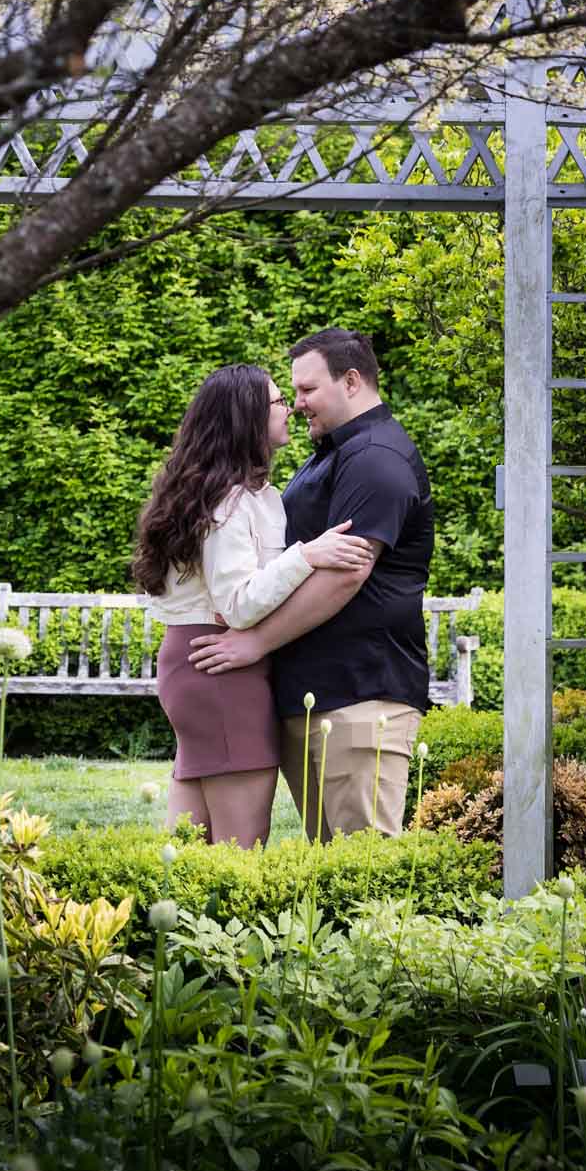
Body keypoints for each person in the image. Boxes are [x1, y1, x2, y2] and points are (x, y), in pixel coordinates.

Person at [188, 329, 435, 841]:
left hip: (360, 695)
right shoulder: (333, 452)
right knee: (328, 869)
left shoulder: (376, 459)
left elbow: (345, 576)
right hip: (315, 694)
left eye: (306, 390)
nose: (295, 405)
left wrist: (255, 641)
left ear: (350, 381)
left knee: (362, 871)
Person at [132, 363, 374, 847]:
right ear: (246, 417)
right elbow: (239, 605)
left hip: (198, 665)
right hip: (222, 668)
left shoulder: (224, 494)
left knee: (188, 847)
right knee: (239, 848)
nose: (291, 408)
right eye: (279, 401)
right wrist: (307, 555)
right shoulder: (231, 502)